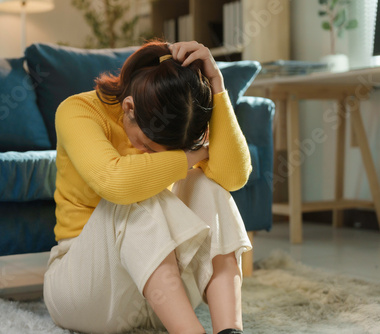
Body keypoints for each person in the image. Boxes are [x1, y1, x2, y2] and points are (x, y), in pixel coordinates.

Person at [43, 40, 252, 334]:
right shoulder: (77, 110)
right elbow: (116, 182)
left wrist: (216, 84)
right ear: (129, 108)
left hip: (161, 297)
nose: (152, 158)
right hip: (85, 291)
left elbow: (233, 177)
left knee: (208, 184)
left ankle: (230, 331)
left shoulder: (179, 119)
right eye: (149, 146)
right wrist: (192, 155)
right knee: (135, 195)